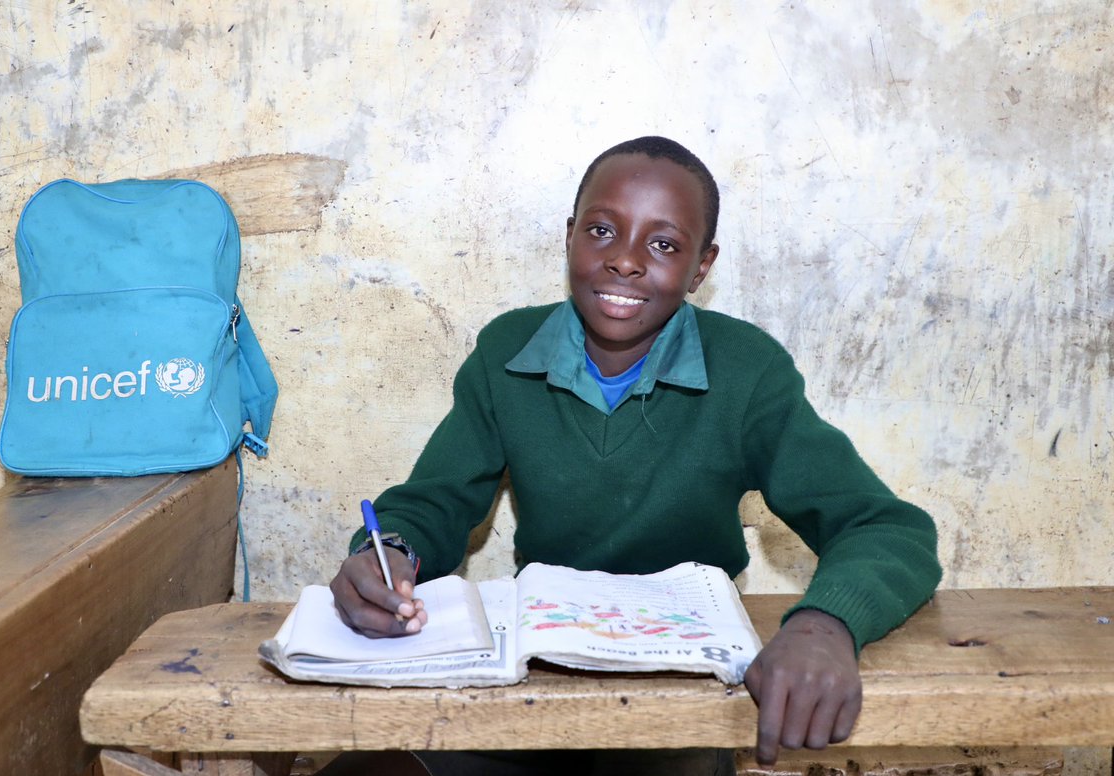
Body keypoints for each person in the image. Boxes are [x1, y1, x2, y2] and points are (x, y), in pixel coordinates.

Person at [326, 136, 941, 775]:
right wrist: (392, 552)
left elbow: (886, 528)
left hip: (683, 692)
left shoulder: (747, 372)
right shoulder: (508, 352)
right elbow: (435, 502)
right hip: (539, 673)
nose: (624, 261)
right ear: (570, 238)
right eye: (601, 230)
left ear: (702, 267)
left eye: (664, 244)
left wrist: (824, 627)